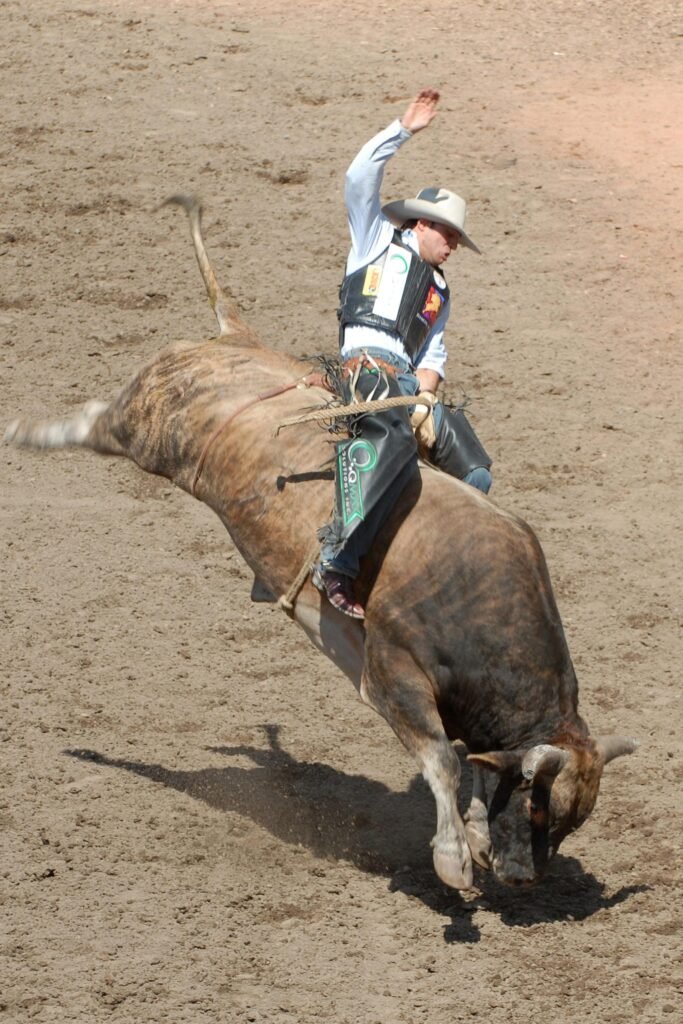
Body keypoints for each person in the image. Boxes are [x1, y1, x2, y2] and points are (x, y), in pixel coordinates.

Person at [313, 88, 492, 619]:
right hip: (365, 366)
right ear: (422, 223)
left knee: (475, 471)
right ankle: (338, 559)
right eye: (449, 234)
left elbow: (433, 355)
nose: (454, 245)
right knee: (388, 439)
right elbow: (358, 178)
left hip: (408, 386)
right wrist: (404, 129)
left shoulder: (442, 293)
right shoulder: (372, 240)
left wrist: (425, 400)